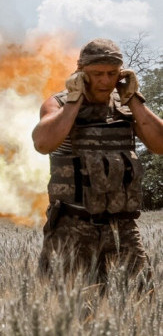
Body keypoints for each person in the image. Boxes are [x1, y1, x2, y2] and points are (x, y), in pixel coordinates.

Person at [32, 38, 163, 286]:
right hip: (73, 225)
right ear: (81, 71)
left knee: (138, 303)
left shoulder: (127, 106)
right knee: (66, 310)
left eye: (112, 73)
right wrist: (74, 100)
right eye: (97, 74)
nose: (105, 81)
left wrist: (133, 98)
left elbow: (160, 145)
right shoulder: (59, 103)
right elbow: (43, 143)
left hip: (122, 227)